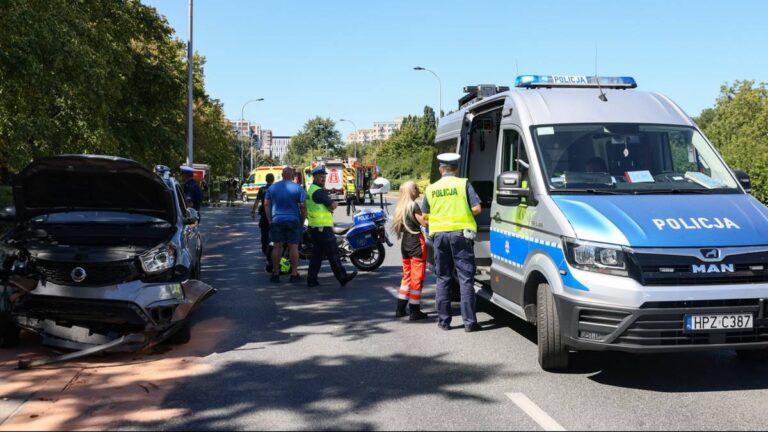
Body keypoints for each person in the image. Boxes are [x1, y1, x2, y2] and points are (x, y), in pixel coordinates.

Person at [422, 153, 482, 332]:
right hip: (461, 236)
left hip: (440, 237)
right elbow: (477, 209)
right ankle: (470, 323)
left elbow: (425, 216)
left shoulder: (431, 188)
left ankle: (444, 322)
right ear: (455, 169)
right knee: (465, 279)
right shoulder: (463, 184)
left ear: (441, 169)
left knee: (443, 279)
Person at [306, 166, 357, 288]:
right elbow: (332, 205)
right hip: (322, 228)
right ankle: (342, 277)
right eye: (321, 176)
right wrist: (335, 203)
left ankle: (311, 280)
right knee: (333, 253)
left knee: (317, 255)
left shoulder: (311, 189)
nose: (323, 178)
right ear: (315, 177)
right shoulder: (318, 191)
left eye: (324, 176)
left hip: (315, 227)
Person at [391, 181, 428, 321]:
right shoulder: (413, 205)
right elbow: (424, 223)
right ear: (410, 192)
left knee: (407, 277)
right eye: (416, 188)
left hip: (405, 243)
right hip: (416, 243)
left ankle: (400, 309)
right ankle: (414, 310)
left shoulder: (401, 206)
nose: (418, 190)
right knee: (417, 278)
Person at [264, 167, 307, 283]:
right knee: (293, 247)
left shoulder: (272, 188)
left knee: (277, 246)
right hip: (293, 220)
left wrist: (270, 220)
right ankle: (293, 274)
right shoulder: (298, 188)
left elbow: (266, 204)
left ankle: (276, 273)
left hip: (277, 220)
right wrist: (302, 221)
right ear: (292, 175)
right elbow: (303, 207)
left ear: (282, 175)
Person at [252, 172, 275, 263]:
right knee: (274, 231)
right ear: (273, 180)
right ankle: (273, 248)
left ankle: (265, 248)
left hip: (264, 214)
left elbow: (257, 201)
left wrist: (253, 211)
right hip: (274, 214)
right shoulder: (275, 189)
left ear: (266, 180)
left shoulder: (262, 189)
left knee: (264, 232)